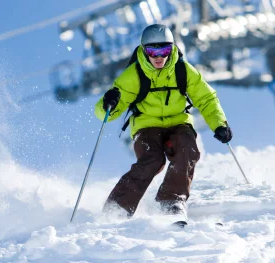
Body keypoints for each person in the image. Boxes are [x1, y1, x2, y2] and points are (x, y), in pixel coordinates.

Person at [94, 24, 232, 218]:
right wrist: (109, 102)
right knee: (153, 159)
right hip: (146, 125)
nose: (159, 57)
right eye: (152, 51)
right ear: (144, 50)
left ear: (172, 48)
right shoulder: (134, 75)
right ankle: (117, 208)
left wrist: (219, 124)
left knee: (187, 147)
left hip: (178, 122)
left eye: (164, 50)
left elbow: (206, 98)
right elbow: (105, 114)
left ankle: (171, 201)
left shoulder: (182, 70)